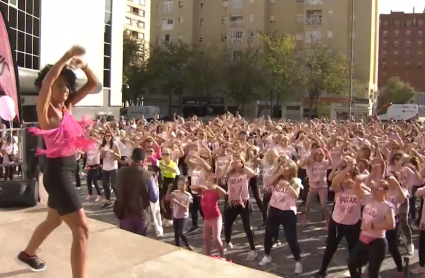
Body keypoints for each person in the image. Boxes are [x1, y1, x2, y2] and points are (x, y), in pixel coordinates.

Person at [18, 45, 98, 278]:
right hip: (57, 172)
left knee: (53, 220)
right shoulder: (45, 110)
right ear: (50, 86)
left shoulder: (67, 107)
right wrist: (64, 58)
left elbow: (92, 84)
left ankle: (28, 254)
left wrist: (84, 66)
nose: (65, 89)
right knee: (82, 229)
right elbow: (45, 84)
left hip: (70, 168)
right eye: (60, 84)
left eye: (67, 85)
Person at [114, 148, 159, 236]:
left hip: (125, 213)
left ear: (132, 158)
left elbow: (116, 188)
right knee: (139, 244)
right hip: (141, 215)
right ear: (143, 161)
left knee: (126, 242)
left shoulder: (121, 172)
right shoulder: (148, 175)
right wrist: (156, 183)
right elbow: (154, 198)